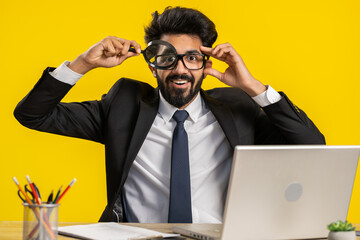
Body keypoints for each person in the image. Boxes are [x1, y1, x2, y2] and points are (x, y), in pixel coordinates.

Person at [14, 6, 325, 223]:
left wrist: (252, 86)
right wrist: (83, 63)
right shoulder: (123, 106)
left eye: (191, 58)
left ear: (205, 65)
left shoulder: (238, 108)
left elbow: (312, 145)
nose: (179, 69)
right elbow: (32, 115)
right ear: (152, 65)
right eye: (167, 58)